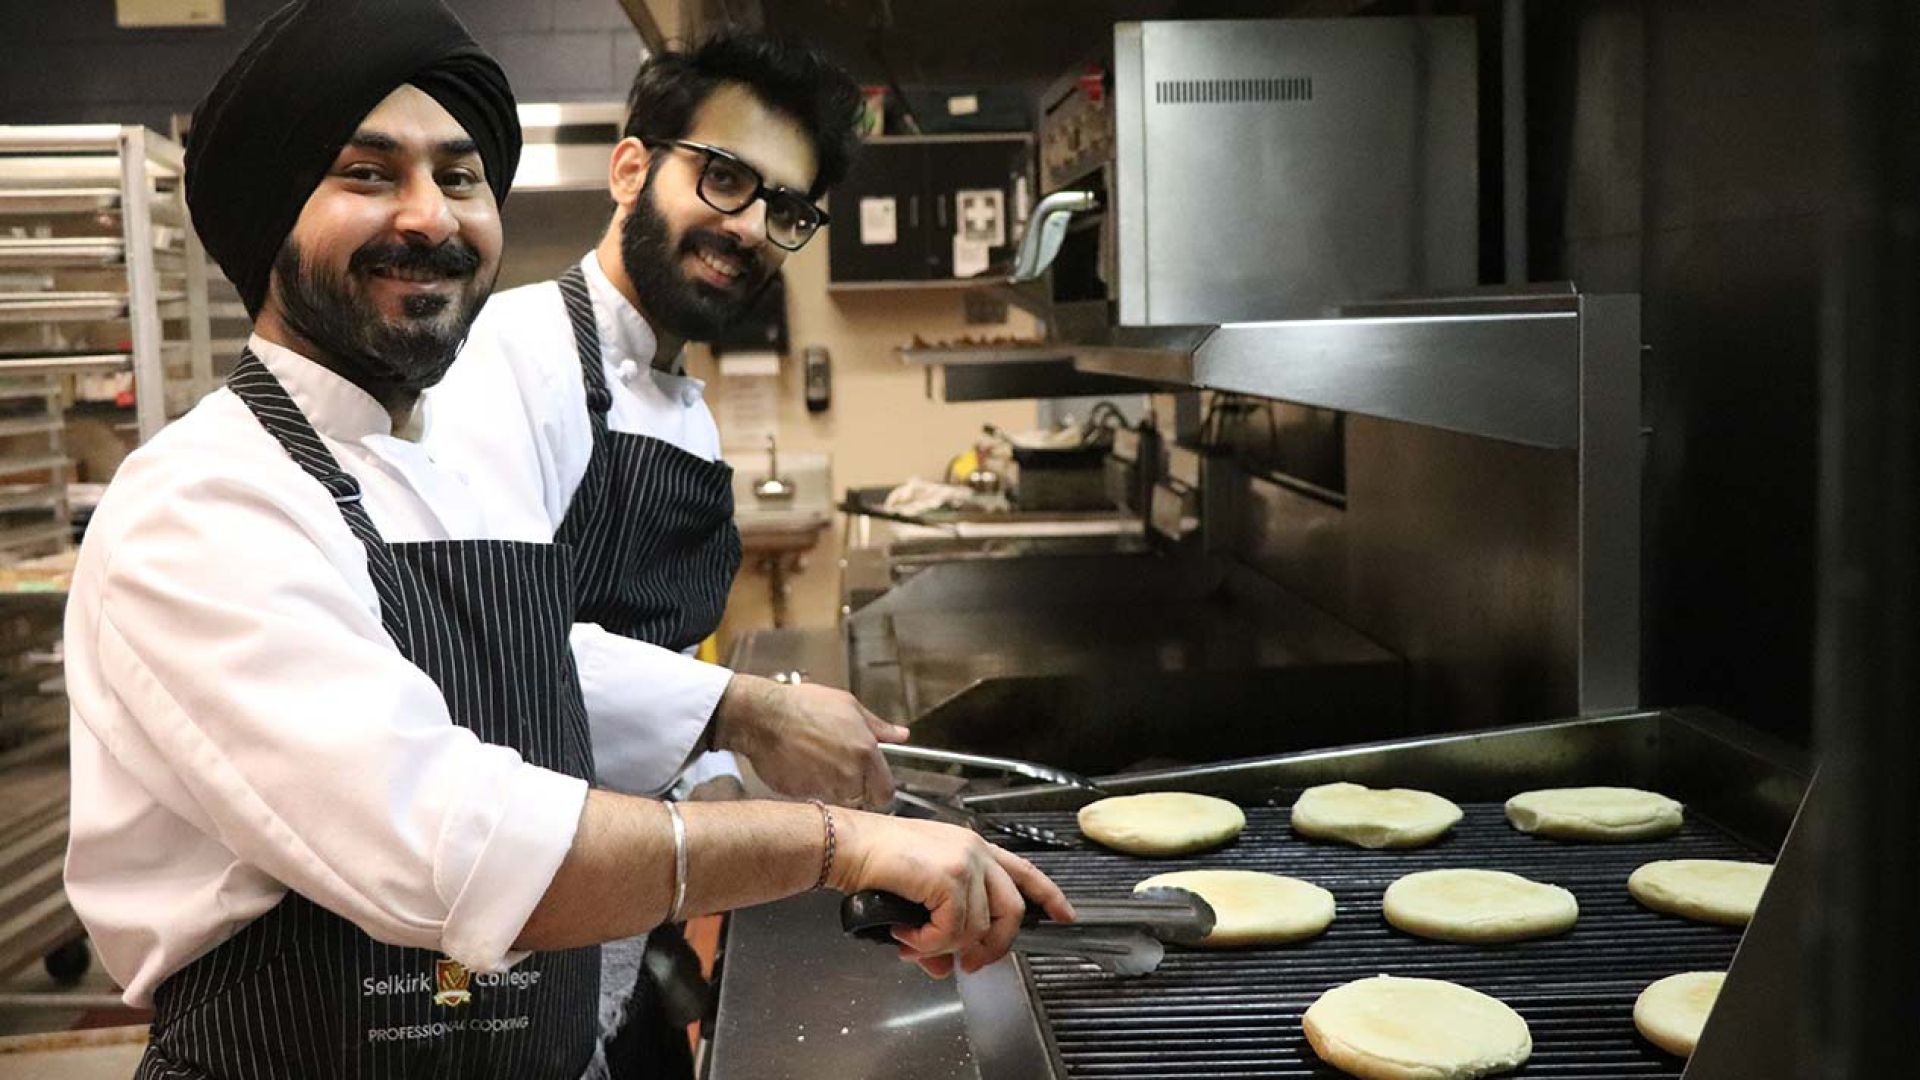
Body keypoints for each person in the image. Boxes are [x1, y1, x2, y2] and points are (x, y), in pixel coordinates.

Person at [61, 4, 1071, 1078]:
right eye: (366, 173)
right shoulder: (200, 503)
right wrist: (829, 833)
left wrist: (759, 784)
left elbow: (529, 711)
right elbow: (450, 845)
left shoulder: (444, 469)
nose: (430, 217)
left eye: (460, 179)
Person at [422, 34, 898, 1074]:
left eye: (786, 210)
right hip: (492, 932)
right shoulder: (505, 360)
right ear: (631, 168)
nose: (748, 229)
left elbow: (658, 661)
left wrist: (730, 789)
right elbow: (489, 663)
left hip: (625, 911)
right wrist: (750, 710)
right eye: (722, 177)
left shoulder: (687, 407)